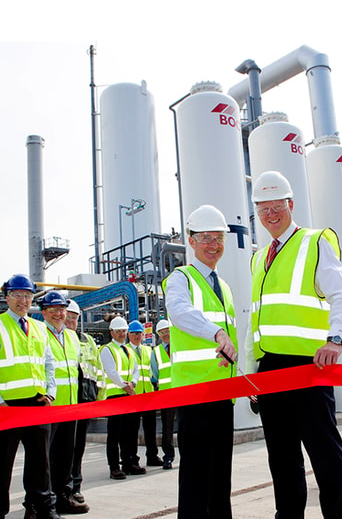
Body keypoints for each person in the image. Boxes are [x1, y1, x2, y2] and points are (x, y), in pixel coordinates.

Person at [248, 171, 342, 518]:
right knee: (281, 458)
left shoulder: (314, 242)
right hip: (269, 371)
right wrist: (252, 372)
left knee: (324, 454)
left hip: (309, 367)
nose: (271, 215)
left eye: (277, 206)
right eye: (263, 209)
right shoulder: (258, 257)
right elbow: (257, 320)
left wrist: (336, 339)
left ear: (291, 204)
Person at [162, 204, 237, 519]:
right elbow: (178, 312)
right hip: (194, 394)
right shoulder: (181, 278)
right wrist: (216, 332)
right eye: (205, 237)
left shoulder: (225, 287)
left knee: (220, 479)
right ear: (190, 241)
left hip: (223, 394)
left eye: (218, 238)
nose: (213, 245)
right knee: (195, 479)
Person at [0, 274, 60, 519]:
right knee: (2, 464)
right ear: (7, 297)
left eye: (27, 295)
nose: (23, 300)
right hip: (7, 406)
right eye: (17, 295)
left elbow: (49, 363)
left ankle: (41, 509)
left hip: (37, 403)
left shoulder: (38, 327)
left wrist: (50, 392)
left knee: (41, 462)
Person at [41, 291, 89, 514]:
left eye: (62, 310)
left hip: (70, 405)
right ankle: (45, 500)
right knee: (45, 458)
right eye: (54, 310)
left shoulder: (71, 337)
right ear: (44, 312)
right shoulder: (38, 333)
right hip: (49, 407)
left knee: (66, 454)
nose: (59, 314)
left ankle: (64, 495)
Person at [66, 299, 101, 504]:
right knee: (62, 448)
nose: (71, 321)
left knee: (78, 446)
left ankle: (75, 486)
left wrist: (99, 399)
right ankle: (62, 487)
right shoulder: (57, 339)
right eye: (68, 317)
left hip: (85, 399)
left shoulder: (87, 340)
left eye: (74, 317)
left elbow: (97, 370)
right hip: (64, 401)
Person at [99, 315, 139, 480]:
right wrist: (126, 386)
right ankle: (114, 467)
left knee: (129, 433)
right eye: (119, 331)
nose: (122, 334)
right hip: (115, 396)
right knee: (114, 434)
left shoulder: (128, 350)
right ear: (112, 333)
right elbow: (111, 371)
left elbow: (135, 368)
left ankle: (129, 463)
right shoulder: (107, 349)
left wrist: (133, 383)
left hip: (128, 395)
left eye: (124, 331)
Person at [127, 319, 164, 470]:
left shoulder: (149, 351)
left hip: (148, 393)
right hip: (133, 395)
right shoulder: (126, 350)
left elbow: (154, 371)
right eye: (134, 334)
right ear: (129, 335)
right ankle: (132, 459)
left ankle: (152, 456)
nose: (137, 336)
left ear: (143, 335)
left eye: (139, 334)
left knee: (151, 428)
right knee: (132, 429)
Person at [153, 319, 175, 469]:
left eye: (167, 331)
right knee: (167, 428)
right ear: (158, 335)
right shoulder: (156, 352)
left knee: (187, 424)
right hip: (166, 395)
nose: (165, 334)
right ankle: (168, 457)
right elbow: (154, 375)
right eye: (162, 333)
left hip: (182, 391)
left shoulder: (180, 347)